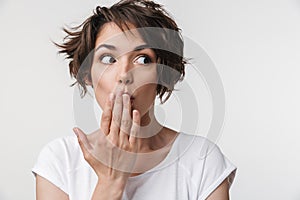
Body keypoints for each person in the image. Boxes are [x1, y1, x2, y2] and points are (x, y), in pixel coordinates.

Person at [32, 0, 236, 199]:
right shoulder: (60, 160)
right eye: (108, 59)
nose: (124, 74)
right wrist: (111, 182)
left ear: (162, 74)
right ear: (87, 75)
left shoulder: (202, 159)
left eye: (143, 59)